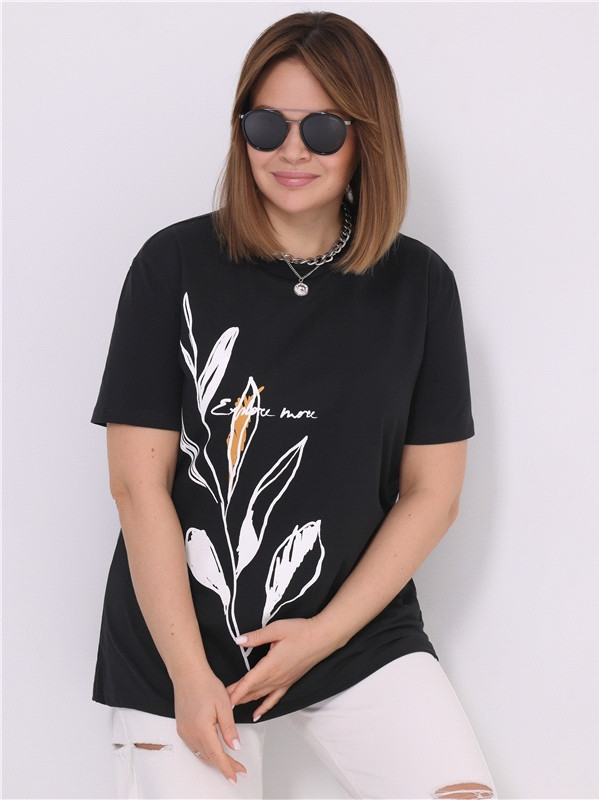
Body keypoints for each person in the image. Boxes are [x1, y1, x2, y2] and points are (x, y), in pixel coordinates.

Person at [92, 11, 497, 800]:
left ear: (366, 138)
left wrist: (322, 635)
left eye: (322, 128)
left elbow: (432, 493)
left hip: (352, 630)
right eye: (266, 124)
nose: (291, 150)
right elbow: (137, 486)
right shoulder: (172, 266)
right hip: (183, 643)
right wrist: (187, 674)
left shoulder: (418, 286)